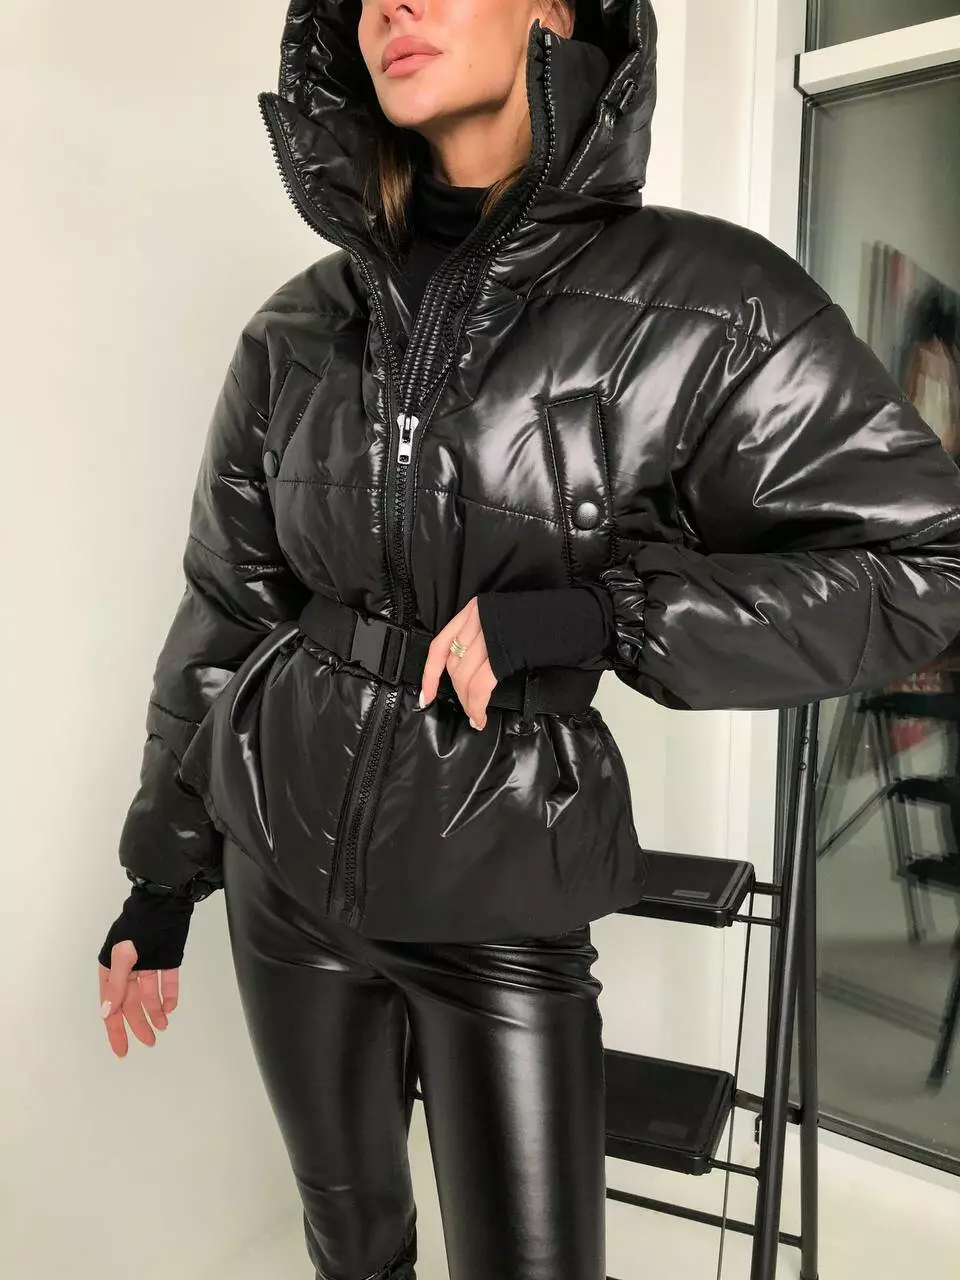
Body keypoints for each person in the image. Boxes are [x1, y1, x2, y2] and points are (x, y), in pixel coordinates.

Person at [97, 1, 960, 1276]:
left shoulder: (703, 302)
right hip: (280, 864)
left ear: (555, 12)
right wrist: (163, 877)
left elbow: (925, 565)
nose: (390, 6)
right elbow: (228, 606)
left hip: (501, 884)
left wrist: (602, 615)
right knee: (352, 1245)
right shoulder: (298, 327)